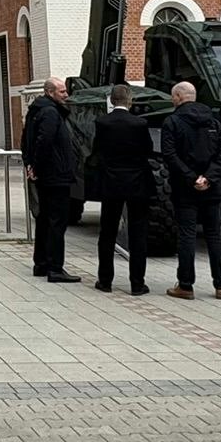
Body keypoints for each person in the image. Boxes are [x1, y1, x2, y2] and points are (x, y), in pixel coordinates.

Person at [162, 80, 221, 300]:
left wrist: (192, 178)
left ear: (178, 98)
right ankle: (220, 286)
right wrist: (209, 178)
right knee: (214, 235)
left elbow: (169, 155)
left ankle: (185, 285)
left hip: (185, 189)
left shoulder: (172, 121)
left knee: (187, 235)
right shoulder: (214, 121)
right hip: (213, 189)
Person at [89, 82, 154, 296]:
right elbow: (147, 151)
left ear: (111, 100)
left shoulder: (102, 122)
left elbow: (97, 151)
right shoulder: (140, 124)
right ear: (130, 100)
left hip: (111, 184)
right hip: (136, 184)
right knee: (138, 233)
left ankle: (105, 280)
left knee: (107, 232)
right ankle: (137, 283)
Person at [21, 74, 80, 284]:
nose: (66, 95)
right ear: (49, 92)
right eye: (62, 92)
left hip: (47, 174)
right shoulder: (50, 113)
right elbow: (43, 141)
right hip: (56, 176)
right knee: (57, 221)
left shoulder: (36, 111)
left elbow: (25, 139)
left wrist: (30, 164)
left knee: (44, 219)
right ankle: (55, 267)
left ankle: (41, 264)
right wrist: (35, 165)